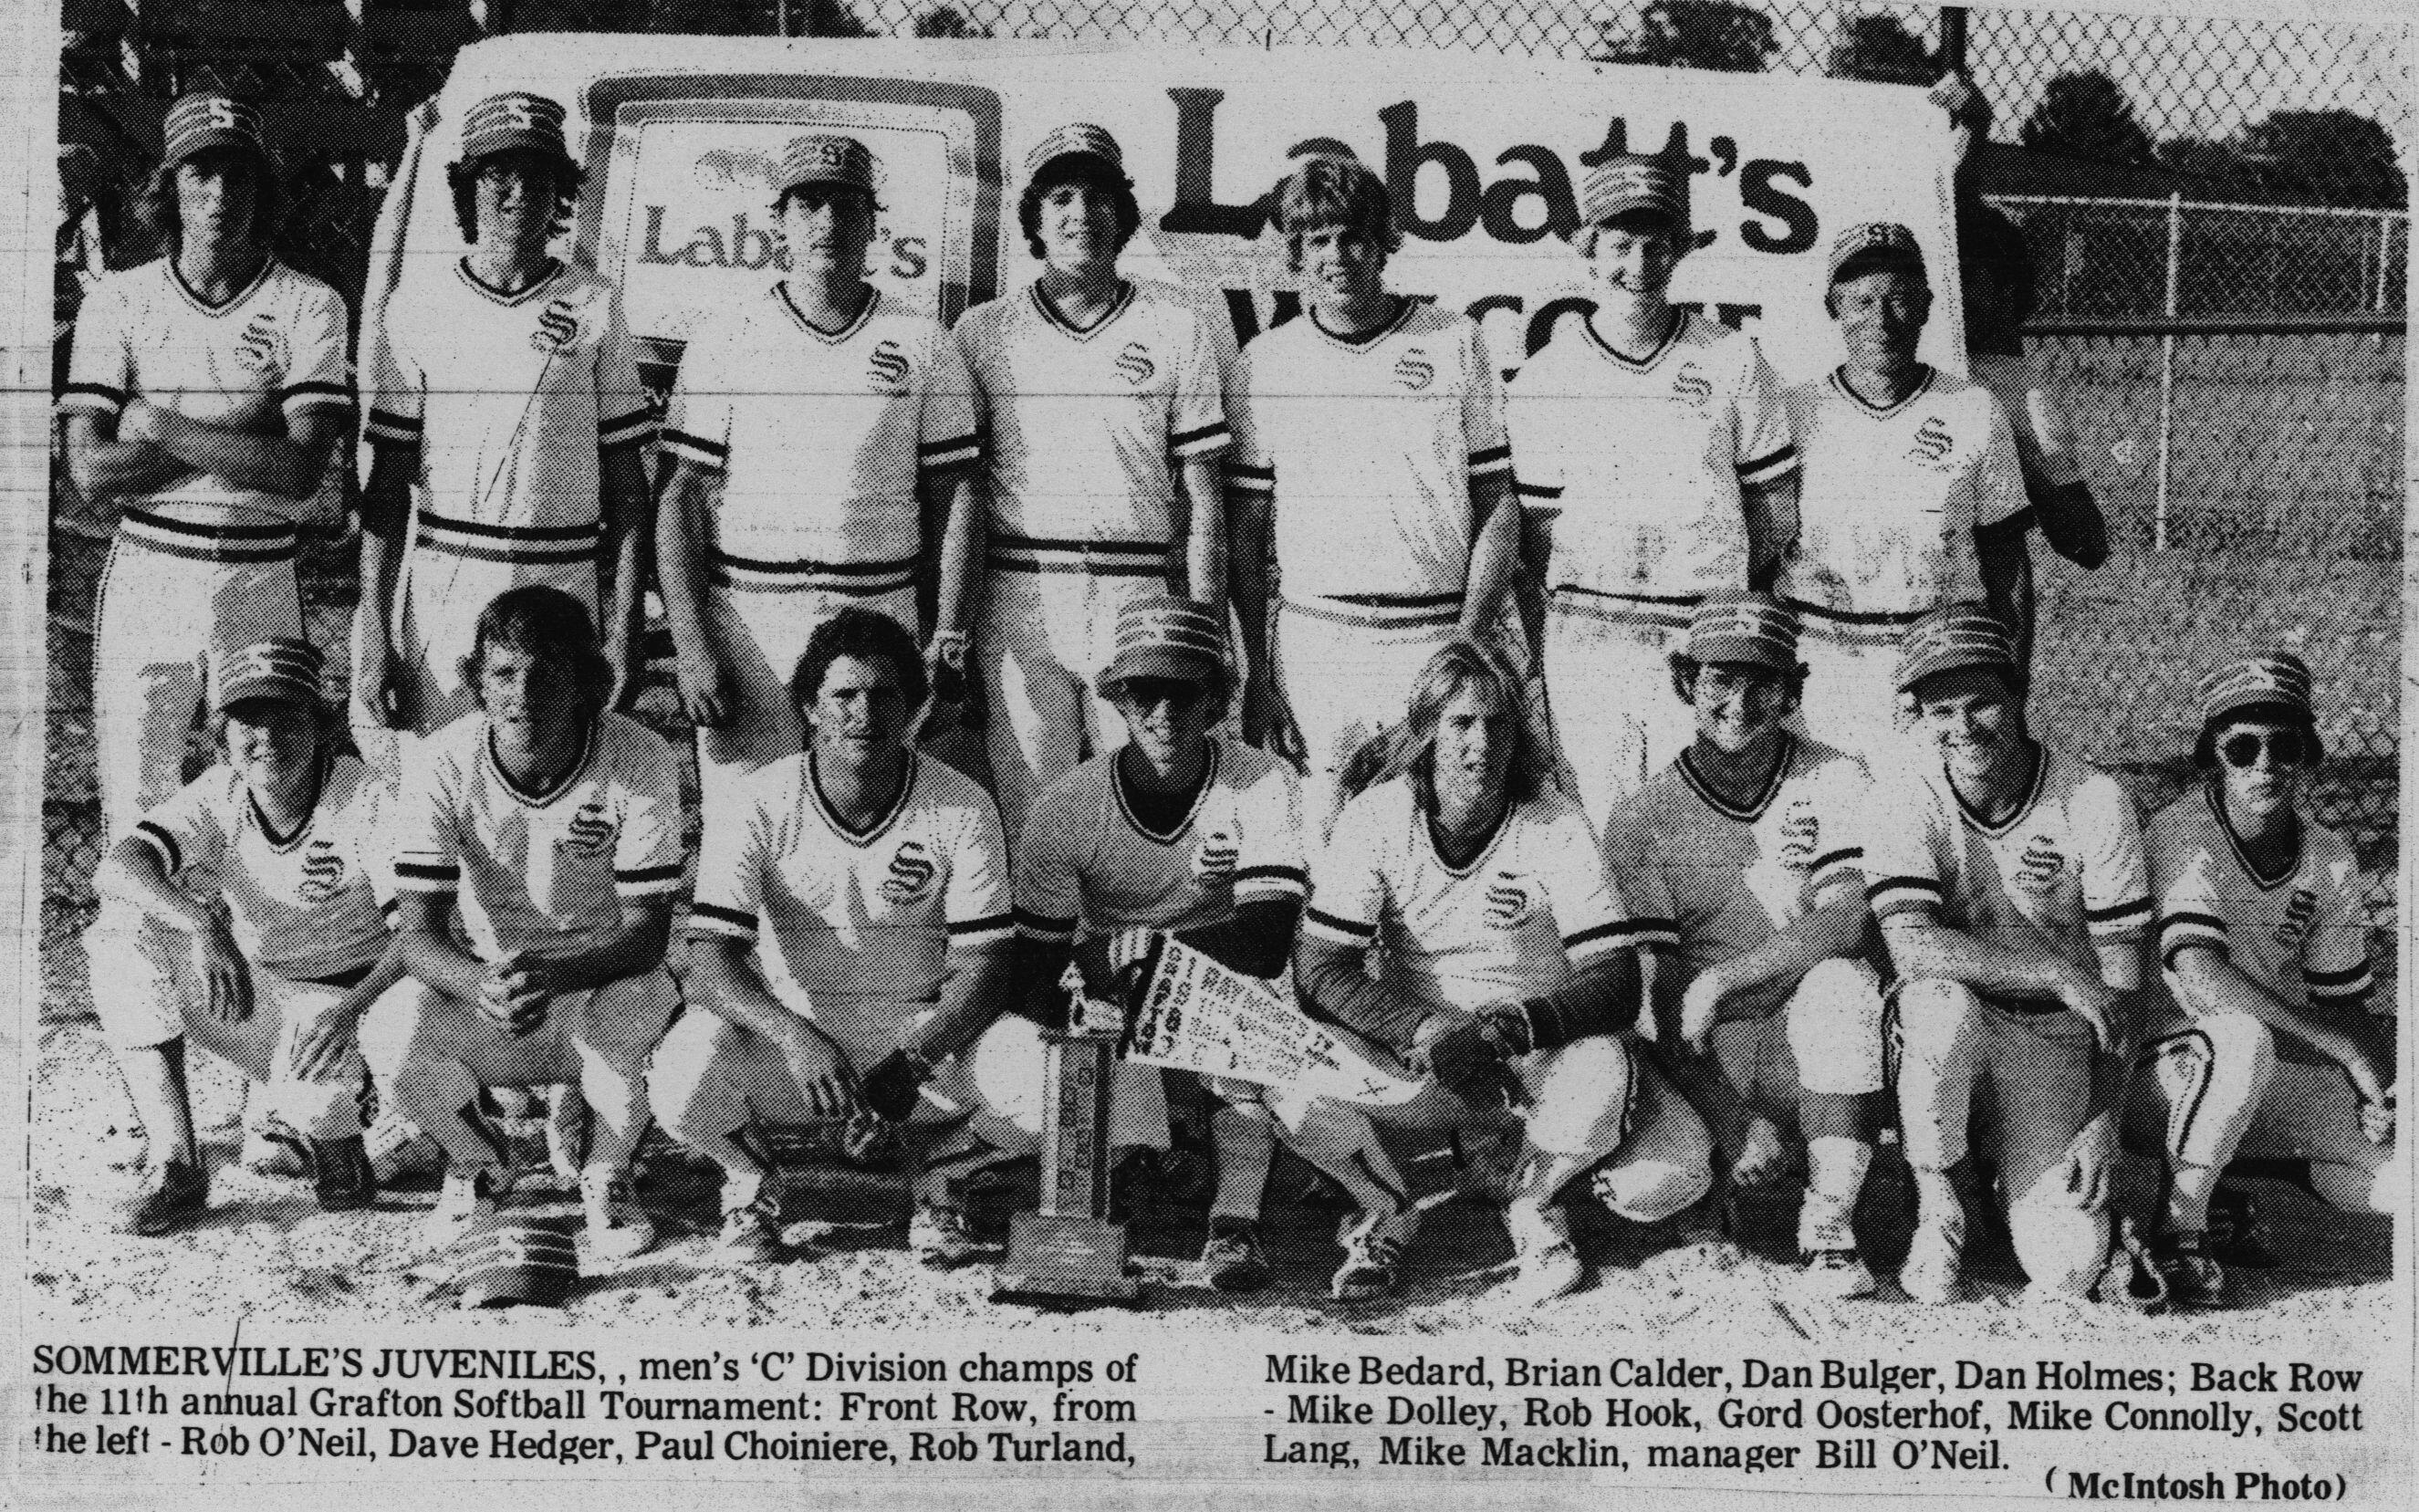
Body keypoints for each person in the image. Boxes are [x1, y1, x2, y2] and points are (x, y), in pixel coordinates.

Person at [1285, 640, 1713, 1304]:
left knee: (1666, 1179)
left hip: (1537, 1057)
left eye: (1497, 723)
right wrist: (1425, 1025)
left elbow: (1616, 980)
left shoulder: (1554, 818)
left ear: (1518, 734)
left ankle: (1533, 1200)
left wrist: (1503, 1030)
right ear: (1425, 731)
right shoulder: (1379, 814)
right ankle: (1384, 1207)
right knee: (1280, 1065)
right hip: (1427, 1059)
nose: (1479, 743)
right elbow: (1318, 967)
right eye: (1459, 723)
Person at [652, 610, 1053, 1268]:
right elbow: (708, 963)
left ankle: (942, 1174)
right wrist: (794, 1035)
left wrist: (916, 1055)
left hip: (923, 1043)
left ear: (913, 705)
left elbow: (986, 966)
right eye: (843, 694)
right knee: (680, 1076)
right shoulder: (758, 799)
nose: (863, 713)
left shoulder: (961, 801)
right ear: (810, 706)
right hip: (799, 1046)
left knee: (1053, 1080)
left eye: (884, 694)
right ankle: (752, 1180)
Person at [658, 132, 984, 826]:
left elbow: (956, 497)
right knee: (744, 834)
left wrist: (948, 634)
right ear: (777, 219)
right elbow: (682, 495)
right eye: (808, 204)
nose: (828, 224)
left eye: (846, 205)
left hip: (875, 615)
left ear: (873, 223)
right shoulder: (728, 334)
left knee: (865, 822)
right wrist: (691, 644)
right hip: (752, 618)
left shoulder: (922, 340)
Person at [57, 89, 353, 843]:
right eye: (200, 173)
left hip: (258, 573)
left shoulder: (308, 304)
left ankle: (258, 958)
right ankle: (143, 958)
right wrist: (246, 419)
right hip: (150, 568)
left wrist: (158, 425)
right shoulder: (119, 302)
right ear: (170, 187)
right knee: (136, 788)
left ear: (262, 189)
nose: (220, 194)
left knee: (268, 791)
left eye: (238, 175)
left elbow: (297, 473)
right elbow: (91, 471)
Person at [1013, 594, 1309, 1291]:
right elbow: (1033, 965)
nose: (1164, 711)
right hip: (1113, 989)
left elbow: (1265, 939)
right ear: (1114, 697)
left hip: (1225, 979)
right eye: (1144, 691)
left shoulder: (1264, 780)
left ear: (1217, 699)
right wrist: (1104, 975)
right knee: (1075, 1035)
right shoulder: (1067, 803)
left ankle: (1234, 1220)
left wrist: (1144, 953)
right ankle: (1108, 1193)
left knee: (1248, 1027)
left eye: (1184, 691)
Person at [379, 587, 683, 1259]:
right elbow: (417, 934)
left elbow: (647, 935)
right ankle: (480, 1162)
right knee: (392, 1030)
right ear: (476, 682)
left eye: (546, 672)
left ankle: (609, 1174)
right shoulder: (440, 758)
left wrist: (556, 973)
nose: (522, 693)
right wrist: (481, 978)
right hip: (499, 991)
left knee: (639, 1005)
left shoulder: (640, 755)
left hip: (601, 980)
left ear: (586, 683)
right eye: (503, 673)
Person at [358, 91, 654, 779]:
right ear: (468, 186)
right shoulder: (420, 305)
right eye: (499, 175)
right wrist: (374, 629)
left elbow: (629, 492)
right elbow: (385, 488)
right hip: (445, 583)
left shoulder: (595, 303)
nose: (519, 192)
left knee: (556, 786)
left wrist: (623, 625)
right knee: (437, 790)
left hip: (561, 576)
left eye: (539, 176)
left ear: (562, 192)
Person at [1600, 594, 1888, 1296]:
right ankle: (1710, 1185)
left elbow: (1848, 922)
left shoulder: (1835, 775)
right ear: (1685, 684)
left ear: (1791, 690)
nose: (1739, 700)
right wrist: (1735, 1120)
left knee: (1844, 983)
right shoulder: (1643, 815)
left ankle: (1829, 1223)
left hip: (1805, 1031)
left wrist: (1721, 978)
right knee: (1650, 1186)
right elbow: (1661, 991)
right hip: (1705, 1048)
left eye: (1762, 680)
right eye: (1718, 679)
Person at [1864, 605, 2148, 1303]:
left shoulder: (2092, 796)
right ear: (1919, 717)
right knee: (1935, 1002)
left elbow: (2124, 983)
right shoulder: (1905, 789)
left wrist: (2101, 1120)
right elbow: (1908, 941)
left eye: (1981, 703)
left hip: (2049, 1034)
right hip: (1961, 1013)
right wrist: (2050, 967)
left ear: (2018, 695)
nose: (1962, 727)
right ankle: (1939, 1202)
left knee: (2070, 1267)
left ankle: (2006, 1169)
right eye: (1940, 710)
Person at [1507, 156, 1799, 831]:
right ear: (1587, 250)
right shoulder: (1550, 374)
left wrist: (1725, 608)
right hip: (1591, 638)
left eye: (1655, 244)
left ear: (1679, 251)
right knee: (1601, 824)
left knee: (1706, 827)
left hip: (1697, 637)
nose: (1637, 263)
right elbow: (1537, 535)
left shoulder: (1731, 357)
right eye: (1619, 245)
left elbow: (1774, 511)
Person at [954, 123, 1232, 837]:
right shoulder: (983, 331)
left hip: (1133, 590)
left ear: (1124, 214)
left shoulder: (1176, 324)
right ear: (1034, 220)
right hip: (1021, 591)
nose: (1083, 213)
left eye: (1100, 196)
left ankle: (1132, 952)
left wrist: (1205, 630)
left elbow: (1202, 499)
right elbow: (957, 494)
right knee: (1031, 814)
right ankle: (1045, 950)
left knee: (1145, 810)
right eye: (1062, 197)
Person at [1226, 154, 1518, 828]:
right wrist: (1259, 674)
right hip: (1315, 641)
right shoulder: (1267, 360)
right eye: (1319, 240)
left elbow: (1496, 504)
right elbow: (1245, 532)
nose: (1339, 256)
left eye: (1354, 236)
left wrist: (1465, 642)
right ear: (1296, 253)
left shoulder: (1454, 340)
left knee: (1429, 830)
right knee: (1321, 841)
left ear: (1382, 242)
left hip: (1431, 634)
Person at [88, 639, 399, 1232]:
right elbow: (118, 866)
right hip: (264, 999)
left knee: (327, 1113)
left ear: (323, 724)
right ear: (220, 734)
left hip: (360, 1007)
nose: (268, 738)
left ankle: (345, 1127)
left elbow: (414, 934)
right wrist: (200, 922)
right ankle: (178, 1162)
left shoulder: (363, 793)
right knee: (122, 936)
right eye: (247, 722)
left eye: (288, 718)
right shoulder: (220, 790)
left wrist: (354, 1012)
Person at [2132, 652, 2399, 1307]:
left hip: (2255, 1074)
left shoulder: (2329, 855)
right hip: (2154, 1073)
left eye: (2283, 744)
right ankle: (2181, 1228)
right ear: (2211, 753)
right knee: (2240, 1036)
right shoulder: (2181, 831)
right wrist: (2342, 1051)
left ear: (2306, 751)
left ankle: (2240, 1180)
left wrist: (2382, 1090)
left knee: (2399, 1161)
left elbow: (2346, 1006)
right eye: (2242, 745)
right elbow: (2200, 975)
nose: (2263, 763)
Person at [1775, 224, 2029, 759]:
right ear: (1833, 309)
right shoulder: (1794, 412)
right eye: (1862, 301)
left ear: (1927, 307)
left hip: (1936, 664)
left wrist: (2011, 691)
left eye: (1900, 300)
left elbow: (2008, 565)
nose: (1881, 320)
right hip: (1822, 659)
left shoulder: (1973, 409)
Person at [1930, 71, 2111, 683]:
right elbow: (1942, 203)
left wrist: (2023, 460)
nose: (1942, 290)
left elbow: (2087, 544)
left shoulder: (2019, 392)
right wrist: (1969, 137)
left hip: (1977, 601)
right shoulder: (1918, 353)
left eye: (1963, 277)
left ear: (2004, 289)